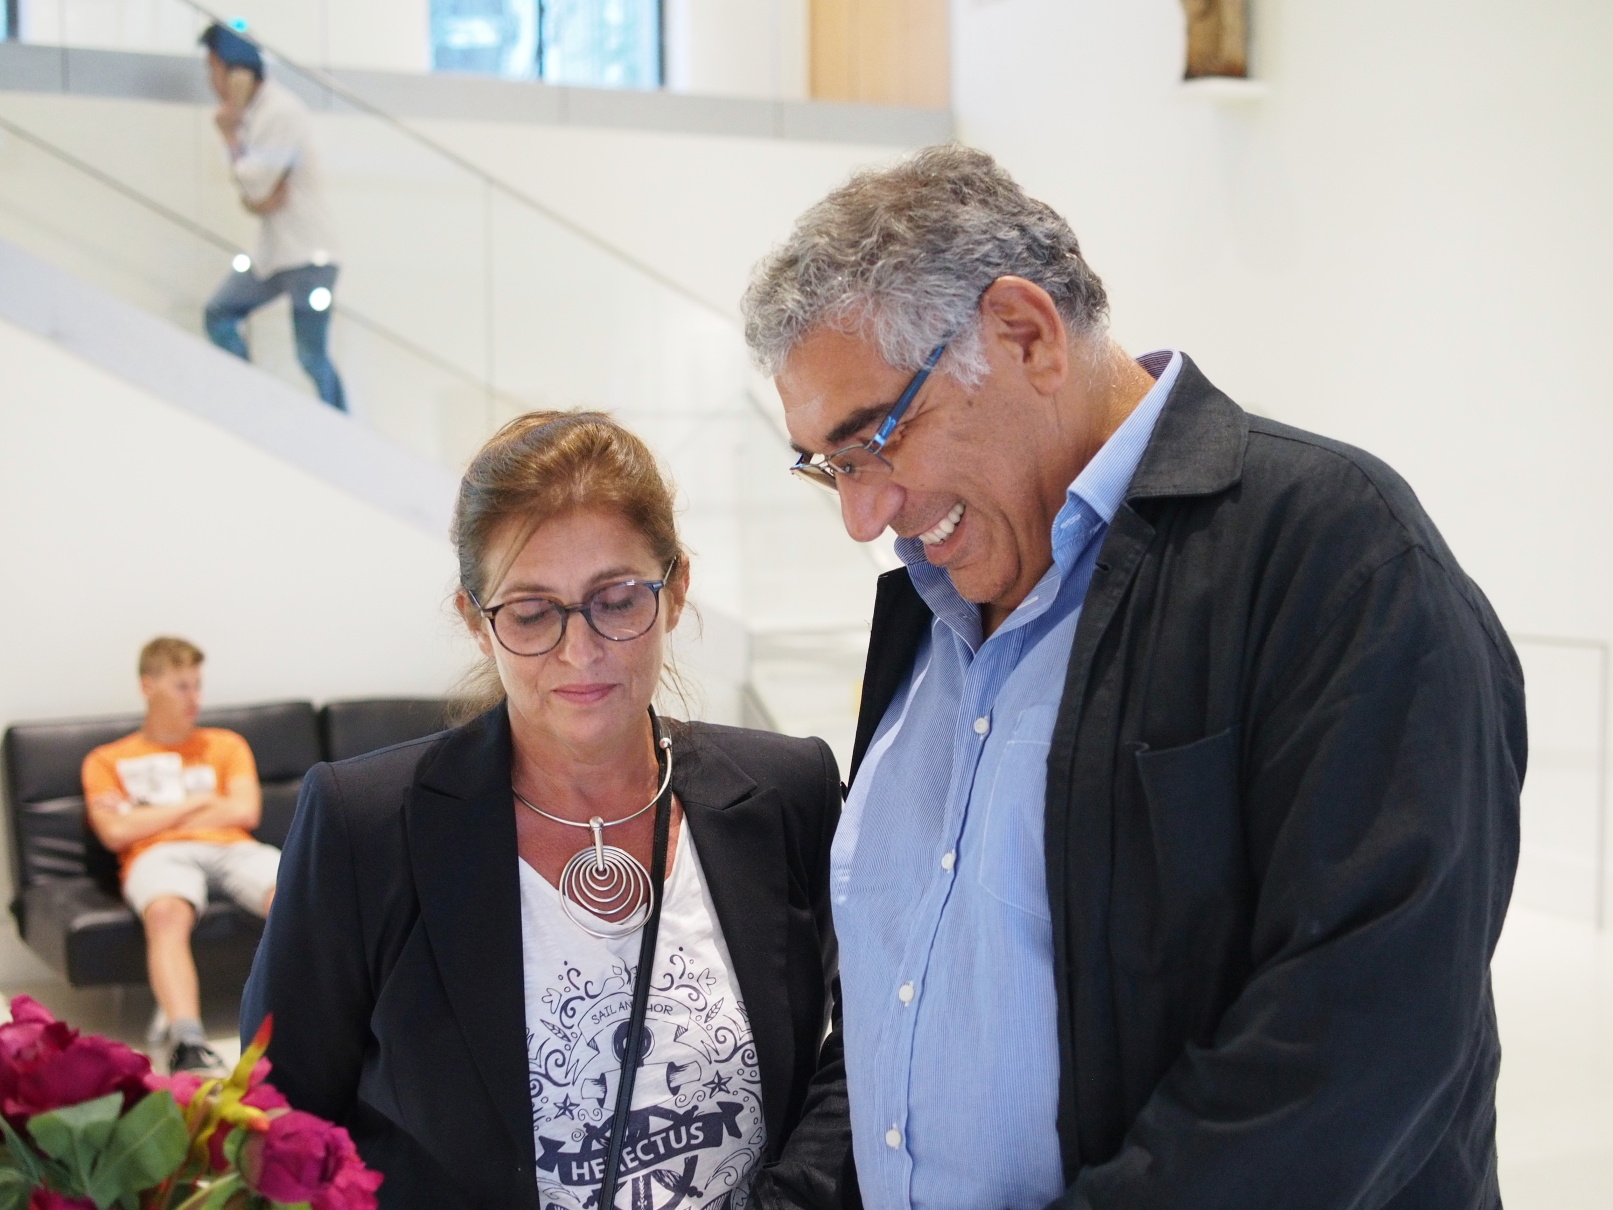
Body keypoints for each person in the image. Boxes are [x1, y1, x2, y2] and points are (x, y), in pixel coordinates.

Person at [740, 145, 1524, 1210]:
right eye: (830, 466)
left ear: (1024, 335)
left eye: (875, 438)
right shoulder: (926, 606)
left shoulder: (1334, 553)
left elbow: (1362, 1037)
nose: (860, 514)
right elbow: (902, 1004)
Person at [243, 412, 852, 1210]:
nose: (579, 650)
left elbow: (876, 1040)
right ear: (476, 620)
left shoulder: (788, 792)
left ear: (675, 593)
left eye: (617, 600)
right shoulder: (366, 827)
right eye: (532, 613)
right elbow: (278, 1126)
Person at [81, 637, 277, 1076]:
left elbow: (245, 811)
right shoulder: (107, 760)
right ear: (148, 687)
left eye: (197, 685)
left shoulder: (226, 744)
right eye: (181, 687)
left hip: (232, 847)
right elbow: (115, 833)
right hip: (158, 854)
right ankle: (188, 1042)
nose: (195, 698)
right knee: (167, 910)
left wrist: (143, 813)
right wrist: (200, 801)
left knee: (296, 893)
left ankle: (323, 1019)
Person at [199, 22, 346, 411]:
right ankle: (253, 402)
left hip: (309, 255)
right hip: (274, 254)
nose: (210, 81)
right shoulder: (253, 115)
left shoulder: (280, 113)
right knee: (219, 313)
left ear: (236, 71)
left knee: (311, 356)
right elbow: (256, 196)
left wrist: (230, 137)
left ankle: (343, 431)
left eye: (213, 68)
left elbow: (256, 188)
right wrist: (255, 193)